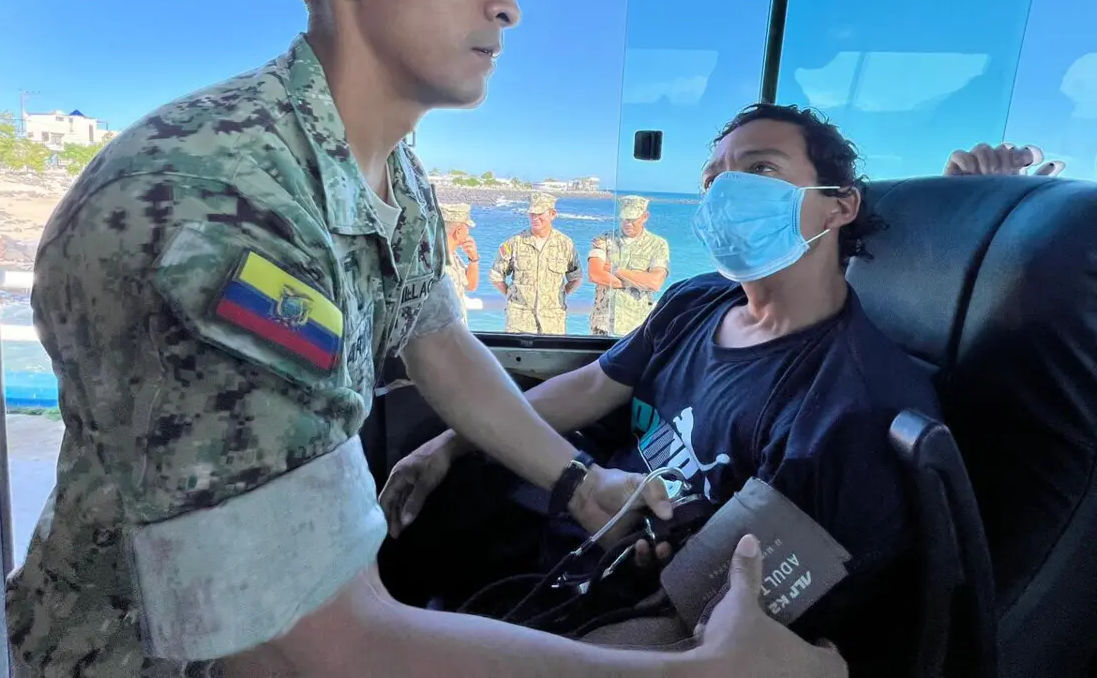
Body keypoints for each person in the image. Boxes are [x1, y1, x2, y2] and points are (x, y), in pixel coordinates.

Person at [2, 0, 844, 677]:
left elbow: (435, 333)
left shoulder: (383, 163)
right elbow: (319, 646)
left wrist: (577, 479)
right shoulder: (219, 205)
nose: (508, 2)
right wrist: (698, 674)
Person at [381, 102, 942, 674]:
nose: (726, 192)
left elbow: (700, 620)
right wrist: (451, 441)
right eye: (713, 179)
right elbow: (596, 381)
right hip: (570, 537)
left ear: (839, 204)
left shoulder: (846, 411)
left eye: (761, 169)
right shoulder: (696, 301)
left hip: (627, 605)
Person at [490, 191, 582, 334]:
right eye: (532, 214)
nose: (535, 218)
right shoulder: (514, 242)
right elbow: (496, 276)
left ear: (553, 214)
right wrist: (514, 296)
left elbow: (576, 278)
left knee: (551, 356)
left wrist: (556, 296)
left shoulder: (565, 244)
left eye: (540, 214)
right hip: (519, 323)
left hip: (553, 322)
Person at [588, 195, 670, 337]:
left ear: (645, 217)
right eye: (624, 218)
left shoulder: (658, 245)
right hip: (603, 325)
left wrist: (615, 270)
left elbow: (655, 282)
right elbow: (595, 274)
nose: (628, 223)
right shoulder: (604, 239)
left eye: (632, 219)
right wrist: (636, 281)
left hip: (636, 327)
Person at [441, 202, 480, 323]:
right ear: (458, 231)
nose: (468, 232)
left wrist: (473, 260)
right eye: (466, 227)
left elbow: (470, 285)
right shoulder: (440, 262)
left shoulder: (453, 256)